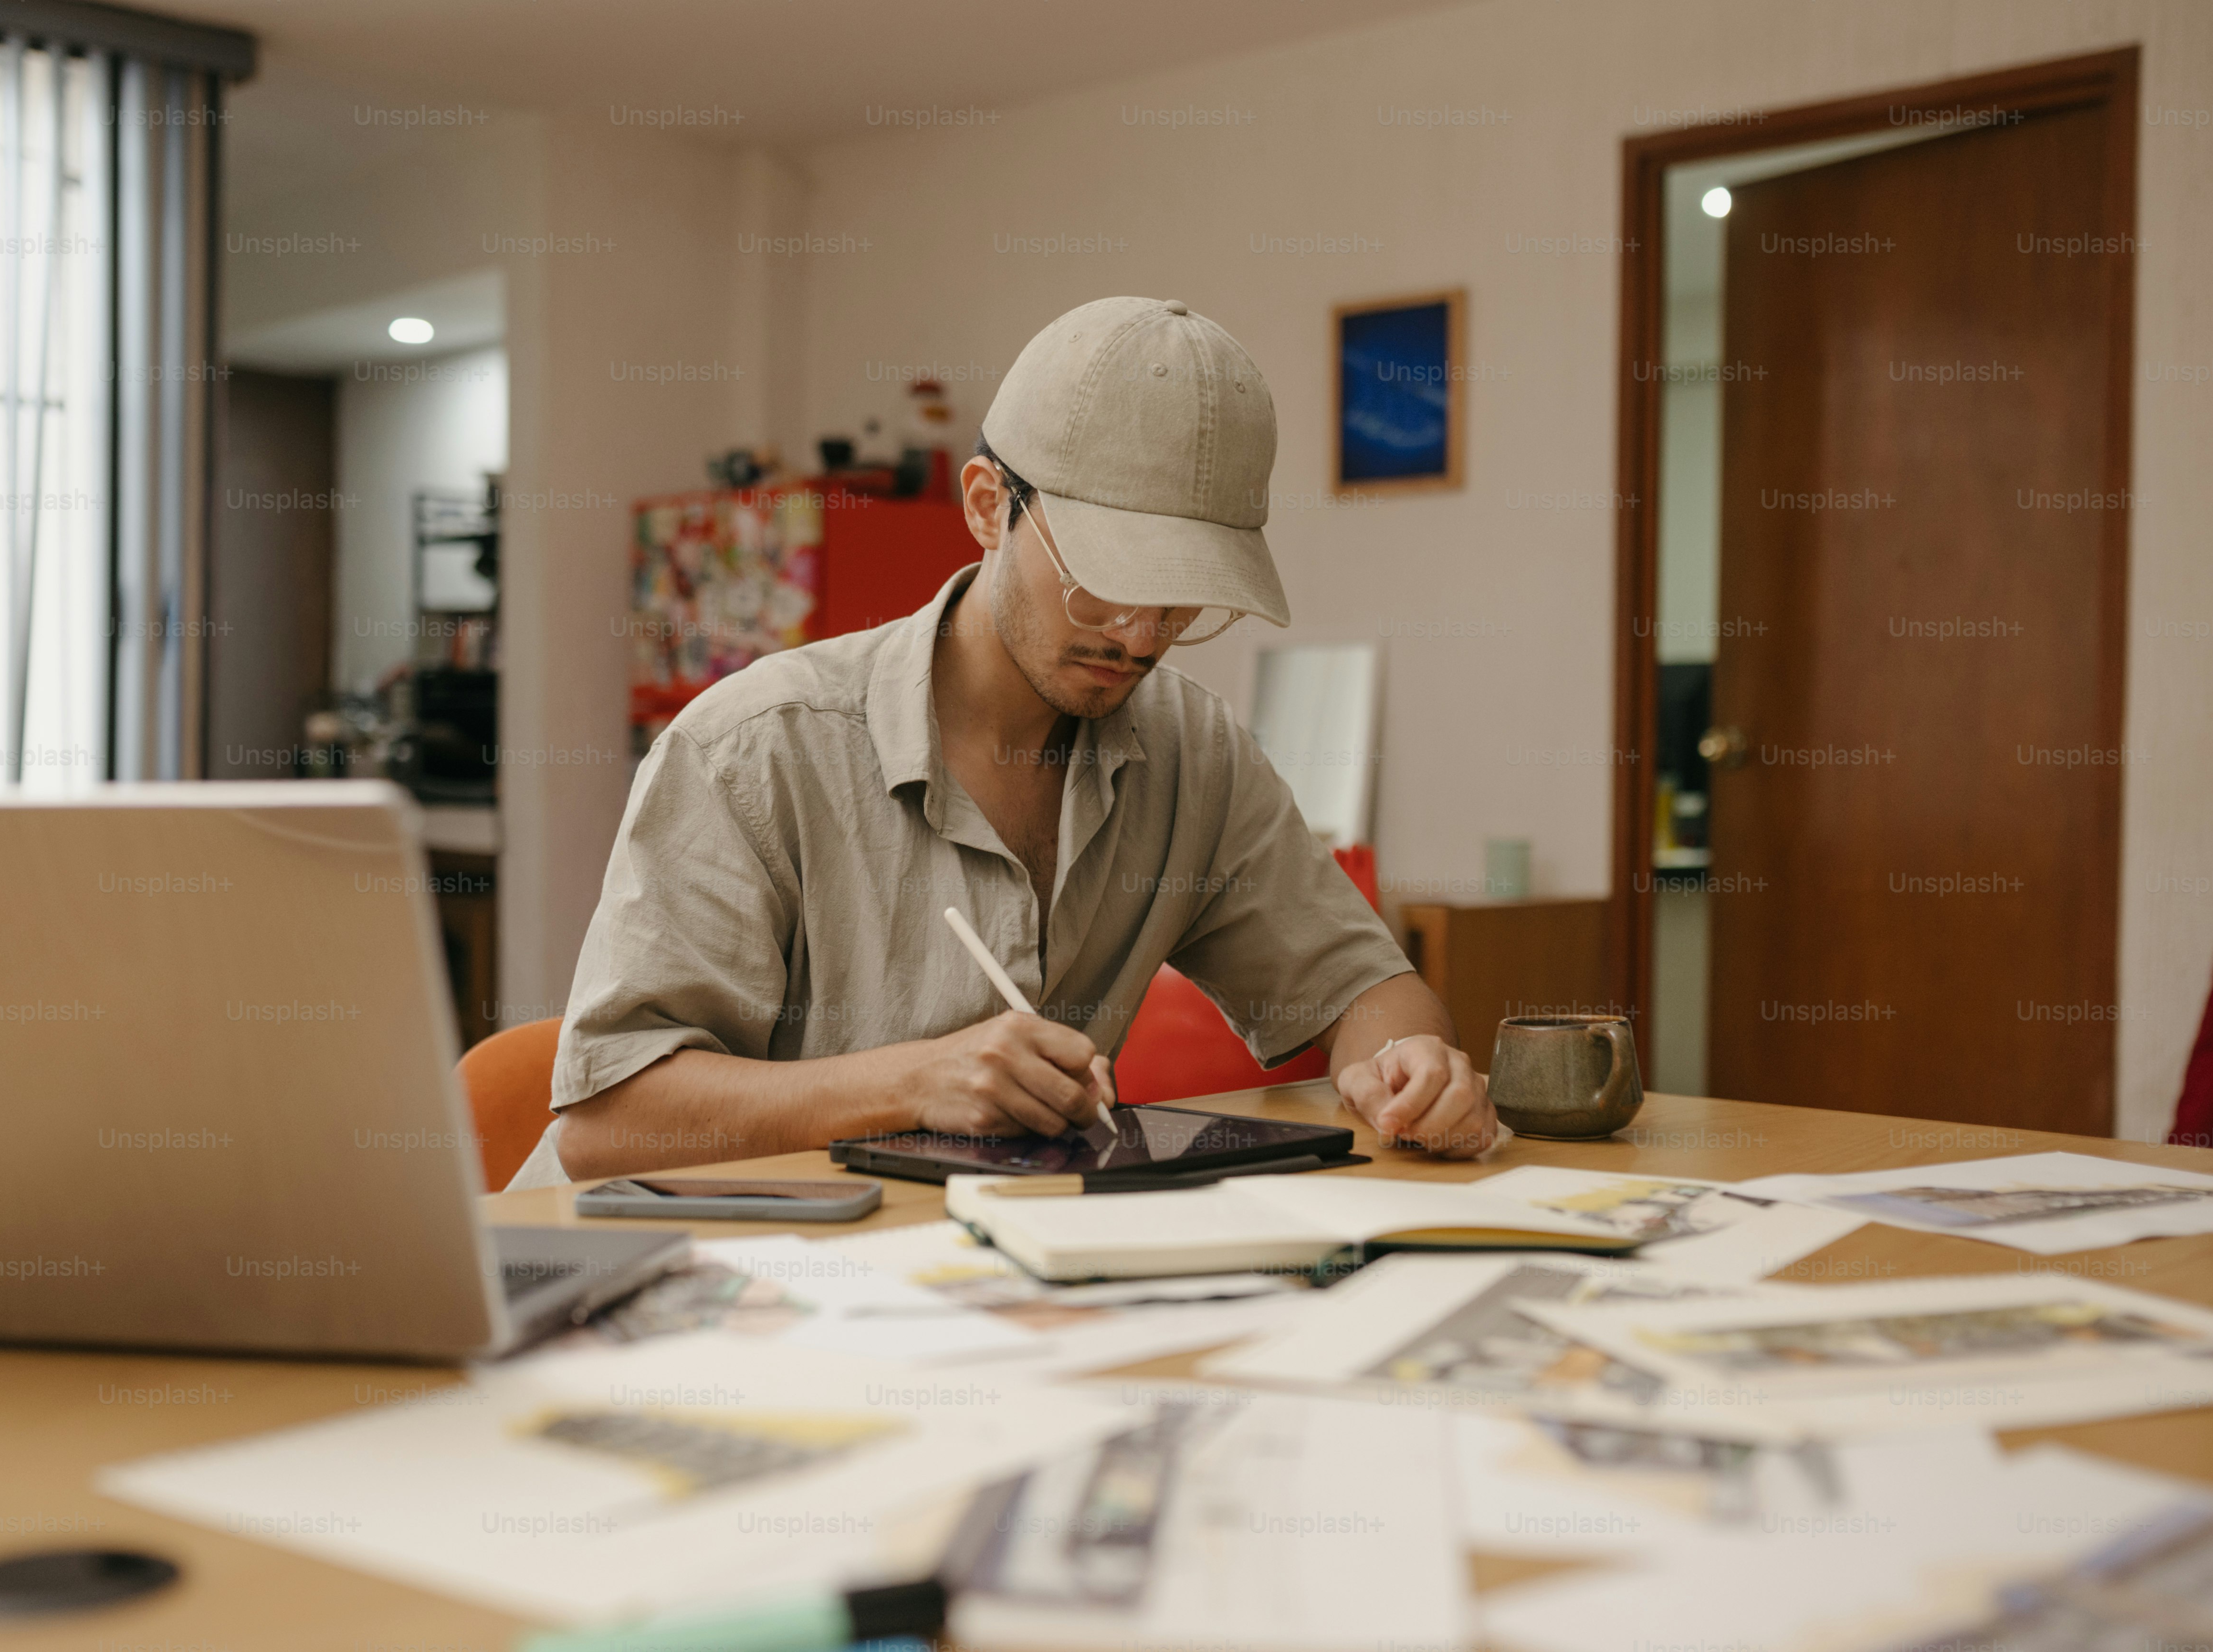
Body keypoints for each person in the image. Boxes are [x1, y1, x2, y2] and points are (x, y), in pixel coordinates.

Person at [513, 296, 1498, 1188]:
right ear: (987, 506)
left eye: (1182, 598)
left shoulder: (1189, 751)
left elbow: (1363, 985)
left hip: (952, 1290)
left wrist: (1411, 1069)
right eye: (1103, 582)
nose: (1140, 636)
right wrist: (913, 1081)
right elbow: (610, 1121)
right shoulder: (754, 748)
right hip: (663, 1291)